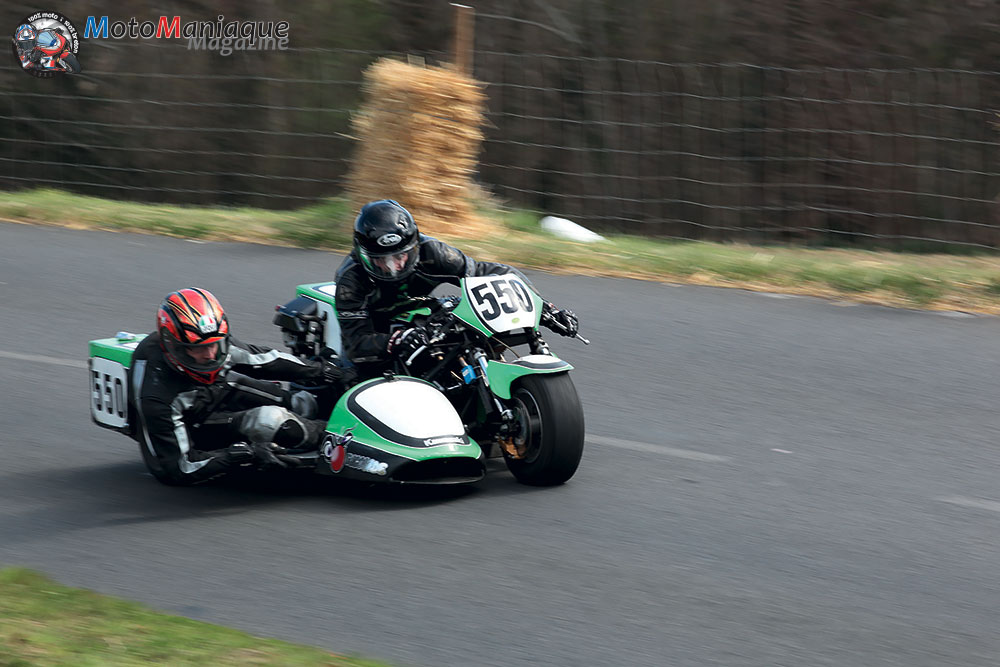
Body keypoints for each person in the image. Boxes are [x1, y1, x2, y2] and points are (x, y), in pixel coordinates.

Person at [128, 287, 351, 486]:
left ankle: (322, 411)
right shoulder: (158, 399)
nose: (210, 355)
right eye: (198, 349)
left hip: (212, 392)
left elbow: (264, 360)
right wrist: (239, 454)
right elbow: (177, 468)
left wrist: (322, 370)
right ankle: (339, 439)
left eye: (215, 345)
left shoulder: (211, 345)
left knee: (301, 403)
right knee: (270, 421)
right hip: (195, 428)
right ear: (173, 346)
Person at [334, 199, 580, 374]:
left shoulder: (434, 253)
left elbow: (491, 274)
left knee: (471, 333)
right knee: (357, 375)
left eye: (400, 256)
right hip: (378, 326)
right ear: (363, 255)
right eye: (382, 261)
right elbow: (356, 343)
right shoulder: (350, 281)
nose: (394, 267)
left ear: (414, 245)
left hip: (421, 312)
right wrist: (397, 339)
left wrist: (544, 308)